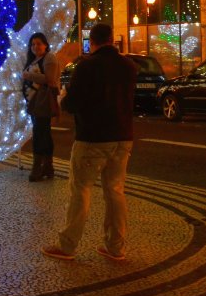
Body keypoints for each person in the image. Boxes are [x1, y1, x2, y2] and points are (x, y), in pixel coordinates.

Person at [44, 22, 137, 262]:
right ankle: (116, 246)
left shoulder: (87, 67)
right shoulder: (128, 66)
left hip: (93, 137)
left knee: (81, 190)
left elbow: (72, 103)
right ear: (111, 40)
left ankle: (67, 246)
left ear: (92, 42)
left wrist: (64, 97)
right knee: (115, 191)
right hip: (123, 136)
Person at [22, 31, 60, 182]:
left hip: (43, 101)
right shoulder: (35, 59)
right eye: (32, 44)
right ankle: (48, 167)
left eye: (38, 43)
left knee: (39, 133)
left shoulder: (49, 57)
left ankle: (38, 167)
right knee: (43, 133)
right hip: (35, 101)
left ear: (45, 45)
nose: (35, 47)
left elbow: (50, 79)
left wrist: (28, 75)